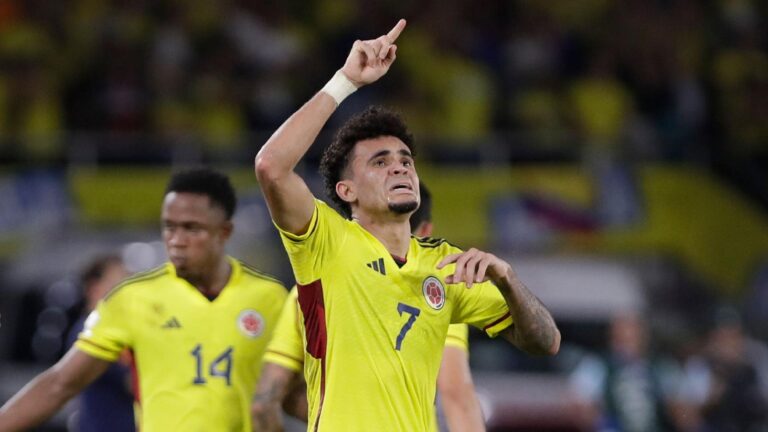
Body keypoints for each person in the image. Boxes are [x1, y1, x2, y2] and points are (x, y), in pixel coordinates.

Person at [253, 19, 560, 431]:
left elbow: (546, 343)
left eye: (404, 160)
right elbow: (271, 168)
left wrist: (507, 279)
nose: (399, 167)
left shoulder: (448, 266)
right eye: (379, 163)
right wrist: (345, 81)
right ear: (346, 191)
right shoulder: (326, 242)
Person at [0, 167, 288, 431]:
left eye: (191, 228)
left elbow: (296, 393)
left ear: (223, 233)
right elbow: (59, 383)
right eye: (169, 227)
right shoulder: (132, 299)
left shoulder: (269, 298)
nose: (177, 239)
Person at [252, 184, 486, 432]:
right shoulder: (438, 289)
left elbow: (265, 403)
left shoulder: (308, 292)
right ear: (426, 231)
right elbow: (456, 393)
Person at [65, 254, 135, 432]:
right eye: (118, 283)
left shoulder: (119, 329)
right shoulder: (90, 331)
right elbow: (134, 383)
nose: (127, 291)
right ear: (93, 287)